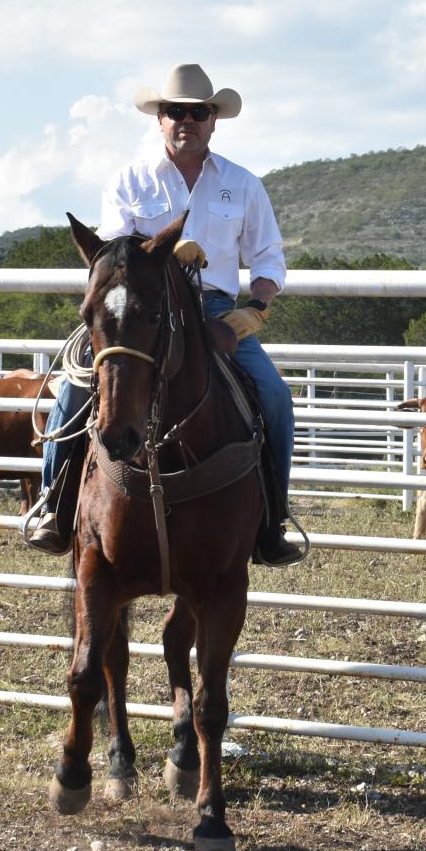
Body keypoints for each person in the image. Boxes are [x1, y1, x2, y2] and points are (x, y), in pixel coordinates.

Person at [24, 63, 305, 566]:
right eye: (176, 111)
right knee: (71, 390)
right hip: (138, 308)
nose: (186, 121)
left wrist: (255, 311)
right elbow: (113, 253)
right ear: (160, 119)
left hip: (216, 310)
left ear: (214, 119)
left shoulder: (243, 185)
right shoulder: (130, 180)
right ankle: (54, 505)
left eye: (198, 112)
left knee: (275, 397)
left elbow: (268, 259)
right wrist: (168, 254)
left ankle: (272, 520)